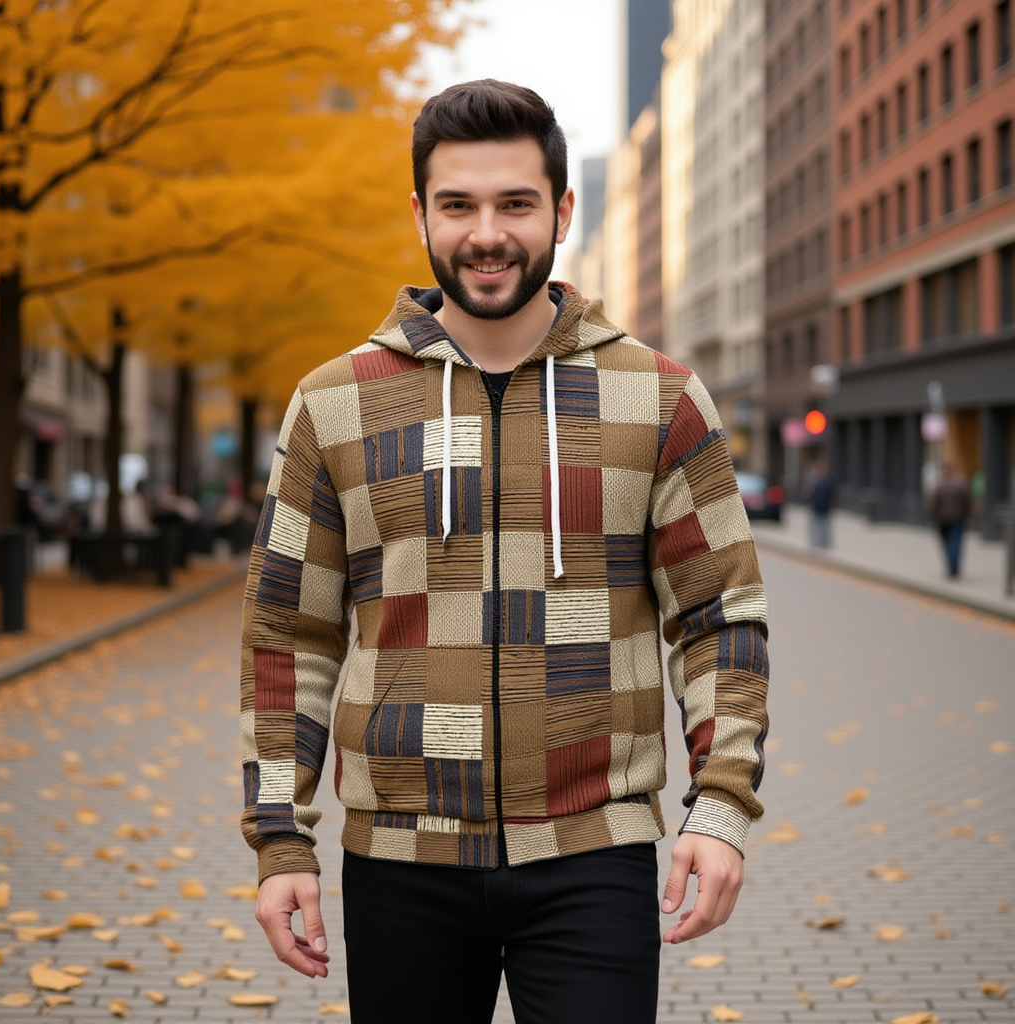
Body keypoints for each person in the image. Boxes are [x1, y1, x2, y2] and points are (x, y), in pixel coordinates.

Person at [240, 80, 770, 1024]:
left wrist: (721, 806)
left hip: (595, 853)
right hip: (400, 860)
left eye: (515, 204)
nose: (487, 234)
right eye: (459, 205)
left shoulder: (661, 398)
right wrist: (281, 839)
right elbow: (289, 635)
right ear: (421, 216)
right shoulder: (333, 405)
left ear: (562, 211)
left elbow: (719, 618)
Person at [927, 461, 971, 578]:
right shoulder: (960, 484)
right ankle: (954, 568)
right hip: (958, 518)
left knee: (947, 544)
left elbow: (932, 504)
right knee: (955, 543)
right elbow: (967, 501)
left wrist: (933, 517)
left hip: (943, 520)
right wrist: (967, 514)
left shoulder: (938, 486)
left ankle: (951, 567)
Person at [807, 459, 834, 548]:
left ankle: (821, 541)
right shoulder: (821, 481)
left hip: (820, 506)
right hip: (820, 506)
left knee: (821, 524)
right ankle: (821, 541)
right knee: (822, 524)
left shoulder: (818, 482)